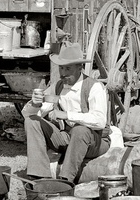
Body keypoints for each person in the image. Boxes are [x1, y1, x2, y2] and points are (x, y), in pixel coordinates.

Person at [22, 43, 113, 183]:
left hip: (95, 141)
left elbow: (100, 121)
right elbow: (27, 114)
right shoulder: (59, 86)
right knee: (32, 121)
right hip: (67, 137)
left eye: (68, 68)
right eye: (61, 68)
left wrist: (67, 115)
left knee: (80, 130)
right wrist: (35, 103)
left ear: (79, 68)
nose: (63, 73)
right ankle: (39, 177)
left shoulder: (94, 87)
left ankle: (65, 181)